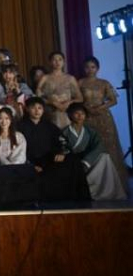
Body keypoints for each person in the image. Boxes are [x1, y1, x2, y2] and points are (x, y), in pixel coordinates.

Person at [16, 97, 89, 202]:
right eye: (33, 108)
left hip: (49, 159)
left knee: (73, 161)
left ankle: (79, 200)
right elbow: (17, 149)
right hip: (29, 161)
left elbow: (62, 141)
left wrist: (61, 153)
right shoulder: (20, 126)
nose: (37, 111)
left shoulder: (49, 126)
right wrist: (30, 164)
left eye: (40, 108)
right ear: (27, 109)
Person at [61, 103, 127, 201]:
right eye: (76, 113)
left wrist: (87, 161)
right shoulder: (64, 131)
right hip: (72, 160)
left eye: (82, 114)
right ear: (70, 115)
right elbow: (62, 148)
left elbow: (99, 146)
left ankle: (104, 191)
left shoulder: (90, 131)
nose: (80, 116)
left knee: (105, 157)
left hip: (87, 159)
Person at [78, 56, 127, 184]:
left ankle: (113, 182)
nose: (90, 69)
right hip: (87, 117)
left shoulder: (104, 83)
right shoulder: (80, 82)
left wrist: (100, 107)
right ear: (84, 68)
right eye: (87, 67)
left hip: (104, 118)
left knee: (109, 147)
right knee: (91, 147)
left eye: (93, 67)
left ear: (98, 68)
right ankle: (94, 183)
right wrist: (86, 108)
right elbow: (77, 100)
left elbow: (114, 100)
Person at [37, 51, 83, 130]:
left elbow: (80, 98)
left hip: (67, 112)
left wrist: (69, 102)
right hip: (50, 112)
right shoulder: (45, 78)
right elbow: (38, 97)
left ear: (64, 62)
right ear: (50, 62)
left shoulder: (70, 78)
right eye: (54, 60)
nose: (57, 62)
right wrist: (52, 102)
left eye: (60, 59)